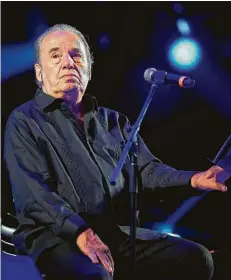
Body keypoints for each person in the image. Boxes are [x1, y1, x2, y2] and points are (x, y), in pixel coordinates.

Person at [3, 24, 230, 280]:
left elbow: (148, 172)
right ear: (39, 73)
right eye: (55, 55)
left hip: (112, 233)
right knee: (97, 274)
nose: (68, 62)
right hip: (55, 236)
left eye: (76, 55)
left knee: (196, 258)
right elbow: (35, 193)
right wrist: (80, 232)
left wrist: (193, 180)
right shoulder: (24, 120)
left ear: (88, 67)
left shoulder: (113, 122)